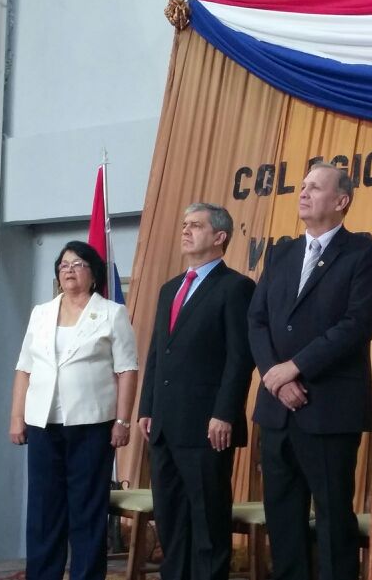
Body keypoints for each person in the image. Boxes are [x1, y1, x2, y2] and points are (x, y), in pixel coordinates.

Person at [247, 163, 372, 580]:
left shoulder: (363, 254)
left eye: (315, 187)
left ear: (341, 201)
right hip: (277, 410)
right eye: (303, 185)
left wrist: (294, 368)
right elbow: (257, 320)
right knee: (283, 519)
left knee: (331, 521)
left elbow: (356, 325)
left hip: (327, 408)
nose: (303, 192)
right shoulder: (282, 253)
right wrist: (274, 375)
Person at [138, 203, 256, 580]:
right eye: (184, 224)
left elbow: (240, 358)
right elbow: (158, 352)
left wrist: (224, 412)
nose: (186, 231)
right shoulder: (170, 287)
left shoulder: (236, 287)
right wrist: (147, 407)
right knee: (171, 523)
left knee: (207, 522)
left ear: (219, 237)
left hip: (207, 426)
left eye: (196, 226)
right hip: (165, 425)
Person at [9, 240, 138, 580]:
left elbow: (127, 370)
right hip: (43, 424)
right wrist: (16, 417)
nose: (69, 269)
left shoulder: (111, 313)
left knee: (86, 510)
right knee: (43, 510)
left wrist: (123, 421)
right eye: (63, 264)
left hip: (91, 425)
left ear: (94, 274)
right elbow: (24, 368)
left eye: (78, 263)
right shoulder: (41, 313)